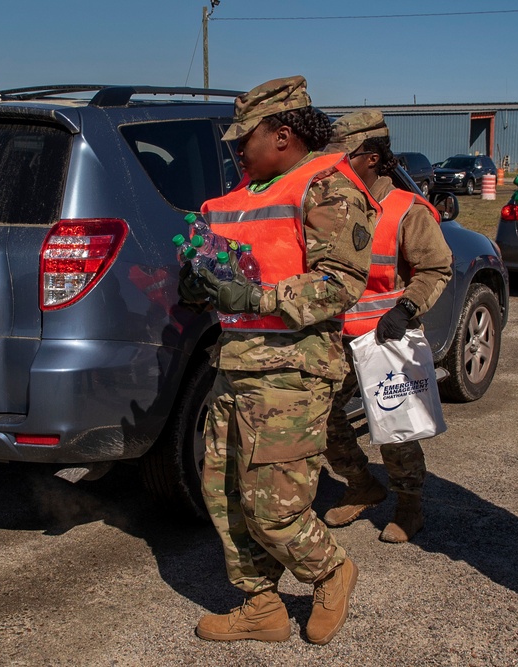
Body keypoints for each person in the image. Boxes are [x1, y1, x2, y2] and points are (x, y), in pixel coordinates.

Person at [177, 75, 379, 646]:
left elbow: (340, 283)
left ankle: (331, 571)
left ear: (283, 135)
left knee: (275, 509)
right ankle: (262, 606)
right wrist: (198, 284)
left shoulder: (327, 188)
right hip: (235, 364)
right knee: (226, 496)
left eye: (245, 139)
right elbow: (219, 275)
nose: (236, 151)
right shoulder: (236, 198)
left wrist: (258, 298)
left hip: (292, 372)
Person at [319, 110, 453, 543]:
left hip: (385, 337)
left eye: (343, 158)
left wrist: (406, 308)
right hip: (336, 338)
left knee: (395, 425)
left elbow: (436, 267)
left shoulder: (405, 210)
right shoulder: (330, 207)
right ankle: (362, 485)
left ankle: (409, 504)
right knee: (321, 417)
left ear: (372, 158)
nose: (332, 168)